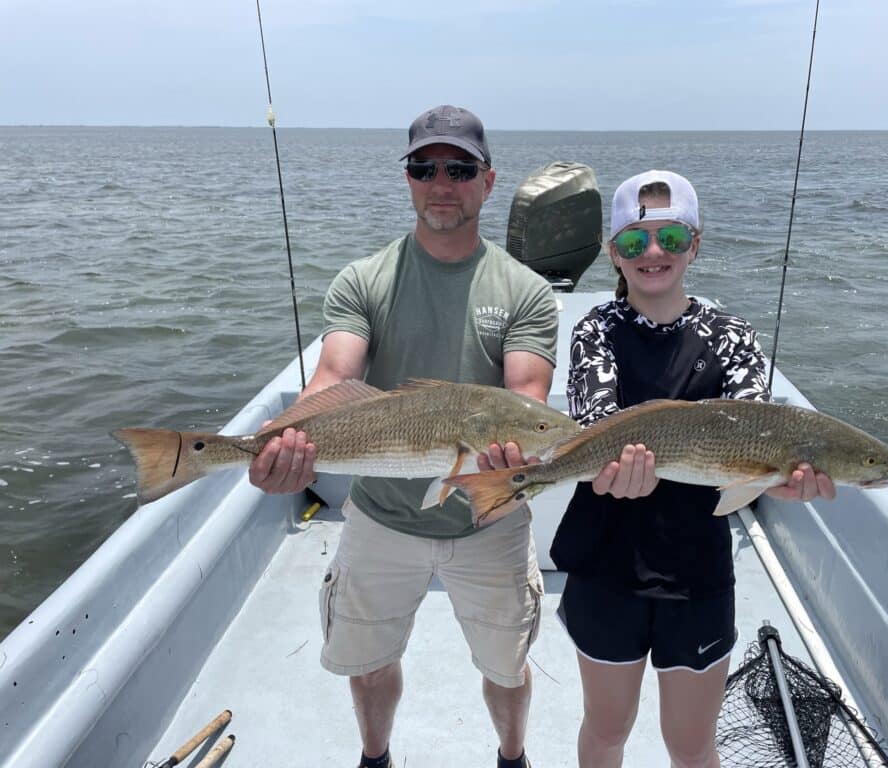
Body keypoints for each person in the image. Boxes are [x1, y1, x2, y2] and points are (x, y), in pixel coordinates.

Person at [248, 105, 556, 768]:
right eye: (424, 166)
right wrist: (279, 444)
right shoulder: (364, 280)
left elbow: (528, 397)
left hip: (490, 518)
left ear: (488, 180)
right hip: (382, 516)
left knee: (507, 667)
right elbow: (333, 376)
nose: (440, 180)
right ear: (409, 179)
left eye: (458, 167)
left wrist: (512, 450)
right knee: (368, 661)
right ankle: (375, 757)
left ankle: (512, 755)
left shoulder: (526, 290)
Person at [549, 169, 836, 768]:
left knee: (692, 744)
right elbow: (602, 426)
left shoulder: (731, 336)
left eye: (671, 238)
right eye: (635, 242)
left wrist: (786, 482)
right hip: (607, 564)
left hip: (696, 574)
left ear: (694, 244)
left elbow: (758, 435)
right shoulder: (595, 333)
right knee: (605, 729)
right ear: (614, 255)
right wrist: (610, 469)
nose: (653, 253)